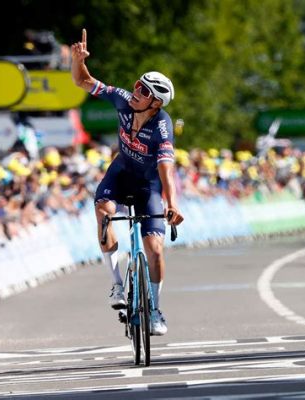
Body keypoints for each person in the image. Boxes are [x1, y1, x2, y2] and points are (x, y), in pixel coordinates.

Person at [71, 29, 184, 335]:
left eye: (145, 91)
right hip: (120, 174)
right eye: (138, 85)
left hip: (149, 185)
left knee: (155, 250)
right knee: (105, 214)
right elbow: (83, 81)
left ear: (156, 104)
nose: (136, 91)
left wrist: (172, 204)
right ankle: (117, 285)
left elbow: (166, 169)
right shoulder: (122, 100)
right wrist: (77, 60)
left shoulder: (162, 127)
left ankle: (156, 310)